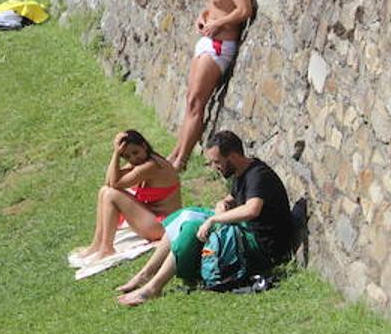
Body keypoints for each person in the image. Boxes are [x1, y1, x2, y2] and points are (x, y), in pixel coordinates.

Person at [117, 130, 293, 305]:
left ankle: (153, 288)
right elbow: (233, 198)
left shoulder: (257, 175)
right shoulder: (241, 172)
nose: (215, 167)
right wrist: (222, 203)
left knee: (192, 227)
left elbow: (252, 210)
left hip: (262, 247)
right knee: (186, 215)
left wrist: (213, 220)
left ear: (232, 157)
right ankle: (146, 274)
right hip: (246, 232)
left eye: (217, 162)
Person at [168, 0, 252, 171]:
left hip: (220, 45)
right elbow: (214, 8)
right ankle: (176, 152)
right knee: (190, 100)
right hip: (207, 41)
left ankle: (181, 160)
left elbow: (244, 10)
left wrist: (218, 23)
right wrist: (203, 17)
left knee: (197, 101)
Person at [71, 130, 181, 265]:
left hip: (165, 225)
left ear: (144, 146)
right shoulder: (140, 162)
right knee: (104, 191)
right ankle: (97, 244)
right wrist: (116, 154)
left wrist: (117, 154)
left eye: (135, 152)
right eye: (127, 156)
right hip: (153, 218)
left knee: (111, 194)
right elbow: (109, 181)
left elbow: (115, 183)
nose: (134, 159)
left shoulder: (151, 166)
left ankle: (106, 248)